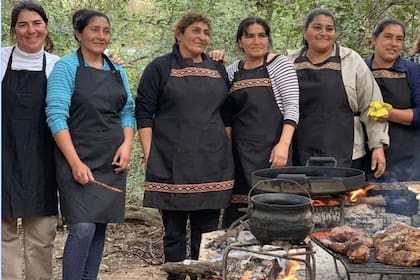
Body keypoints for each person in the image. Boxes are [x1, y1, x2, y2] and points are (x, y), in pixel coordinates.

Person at [135, 12, 234, 280]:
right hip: (171, 160)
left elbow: (226, 114)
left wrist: (227, 151)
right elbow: (144, 112)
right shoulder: (159, 67)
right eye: (195, 31)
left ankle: (203, 276)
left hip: (212, 160)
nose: (202, 37)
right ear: (179, 34)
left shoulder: (218, 68)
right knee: (174, 233)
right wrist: (149, 154)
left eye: (206, 32)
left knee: (208, 233)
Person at [45, 9, 135, 280]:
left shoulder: (116, 68)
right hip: (76, 157)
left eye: (106, 31)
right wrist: (75, 162)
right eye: (95, 30)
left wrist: (127, 145)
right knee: (82, 227)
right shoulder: (66, 66)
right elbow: (56, 115)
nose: (101, 36)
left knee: (98, 227)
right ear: (78, 34)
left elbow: (128, 110)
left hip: (111, 159)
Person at [287, 8, 389, 178]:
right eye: (317, 27)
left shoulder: (351, 60)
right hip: (299, 152)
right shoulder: (289, 63)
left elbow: (373, 106)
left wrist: (377, 145)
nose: (323, 33)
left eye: (329, 29)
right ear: (305, 31)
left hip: (346, 151)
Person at [221, 16, 300, 227]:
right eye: (250, 36)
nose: (257, 41)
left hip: (273, 152)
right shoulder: (231, 71)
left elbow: (292, 107)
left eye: (262, 36)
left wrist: (283, 145)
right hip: (239, 153)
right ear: (240, 42)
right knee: (238, 215)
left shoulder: (279, 64)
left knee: (275, 211)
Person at [1, 1, 58, 279]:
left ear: (46, 28)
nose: (30, 30)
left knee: (40, 241)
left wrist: (113, 60)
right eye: (23, 24)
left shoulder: (59, 67)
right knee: (3, 241)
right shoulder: (0, 59)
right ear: (14, 30)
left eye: (36, 24)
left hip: (42, 165)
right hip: (4, 160)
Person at [366, 18, 420, 181]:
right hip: (366, 156)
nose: (394, 43)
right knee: (364, 205)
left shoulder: (413, 71)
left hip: (407, 158)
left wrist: (388, 113)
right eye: (388, 37)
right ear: (374, 39)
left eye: (399, 39)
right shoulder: (361, 69)